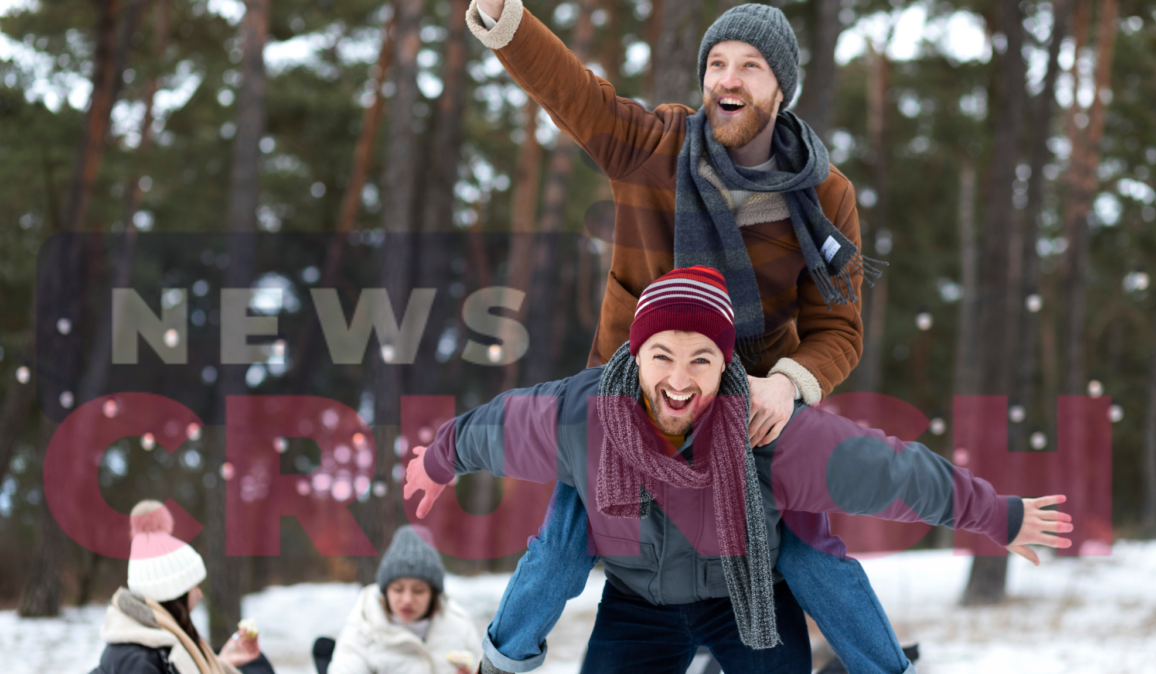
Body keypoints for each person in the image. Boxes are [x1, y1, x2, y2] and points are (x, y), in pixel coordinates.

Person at [464, 4, 921, 672]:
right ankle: (499, 664)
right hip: (632, 399)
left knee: (807, 555)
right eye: (716, 63)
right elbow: (570, 91)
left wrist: (787, 384)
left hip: (746, 406)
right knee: (562, 550)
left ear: (779, 88)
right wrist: (506, 20)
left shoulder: (825, 195)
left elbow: (837, 327)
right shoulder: (651, 147)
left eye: (749, 66)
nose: (726, 79)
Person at [404, 266, 1073, 674]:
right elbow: (492, 428)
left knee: (814, 562)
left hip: (745, 600)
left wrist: (997, 515)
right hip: (638, 604)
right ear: (636, 355)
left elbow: (891, 473)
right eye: (662, 354)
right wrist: (438, 461)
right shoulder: (583, 416)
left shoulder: (767, 429)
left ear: (726, 366)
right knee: (561, 550)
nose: (678, 378)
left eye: (701, 358)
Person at [91, 500, 271, 674]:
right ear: (175, 592)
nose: (200, 593)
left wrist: (222, 661)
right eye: (195, 586)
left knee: (258, 664)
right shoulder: (142, 660)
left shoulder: (157, 644)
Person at [328, 525, 483, 674]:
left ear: (433, 594)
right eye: (398, 589)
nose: (407, 599)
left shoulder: (460, 626)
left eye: (418, 590)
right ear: (385, 591)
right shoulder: (363, 625)